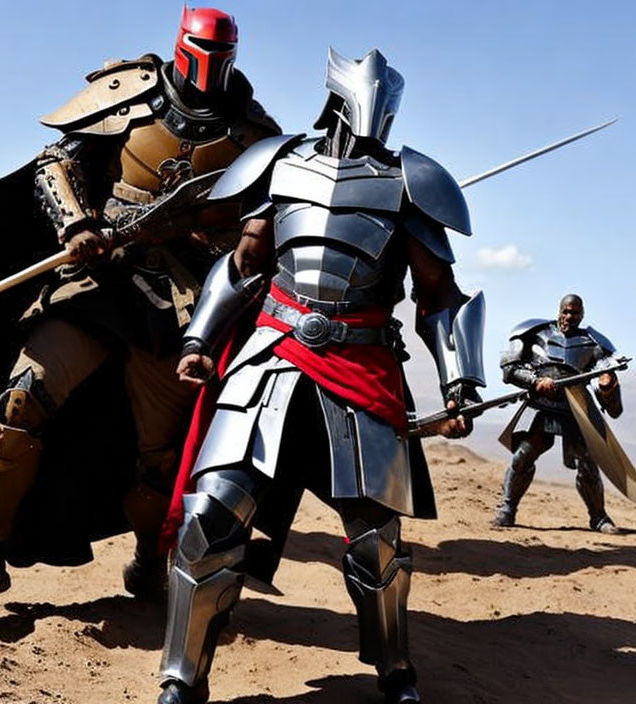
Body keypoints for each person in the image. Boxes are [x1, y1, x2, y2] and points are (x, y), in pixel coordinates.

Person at [155, 47, 484, 704]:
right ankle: (181, 678)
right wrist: (200, 337)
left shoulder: (410, 180)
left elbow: (441, 295)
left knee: (375, 544)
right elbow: (245, 265)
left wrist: (459, 383)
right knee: (210, 520)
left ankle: (396, 672)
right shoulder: (277, 163)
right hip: (270, 357)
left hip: (358, 367)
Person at [0, 4, 281, 597]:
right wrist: (74, 224)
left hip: (181, 303)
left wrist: (209, 240)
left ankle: (148, 557)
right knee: (21, 397)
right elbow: (56, 161)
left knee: (159, 455)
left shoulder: (256, 137)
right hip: (99, 278)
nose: (208, 67)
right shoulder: (129, 92)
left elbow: (260, 226)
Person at [492, 293, 624, 534]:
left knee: (587, 462)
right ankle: (507, 509)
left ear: (582, 315)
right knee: (524, 455)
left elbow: (607, 385)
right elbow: (509, 369)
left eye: (574, 313)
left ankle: (599, 517)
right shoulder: (536, 333)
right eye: (566, 311)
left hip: (576, 408)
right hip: (541, 404)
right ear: (559, 311)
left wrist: (607, 387)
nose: (569, 317)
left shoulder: (593, 344)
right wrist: (535, 381)